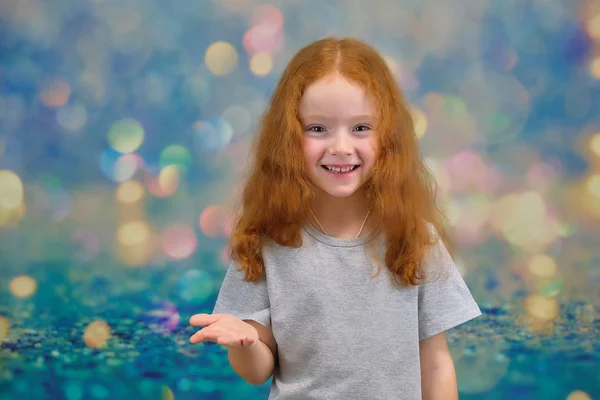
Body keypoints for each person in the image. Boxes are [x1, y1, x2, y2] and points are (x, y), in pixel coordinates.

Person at [188, 37, 482, 400]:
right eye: (317, 128)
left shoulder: (414, 237)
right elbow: (258, 370)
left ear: (388, 137)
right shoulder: (267, 241)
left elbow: (436, 363)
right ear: (289, 137)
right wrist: (245, 342)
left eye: (361, 128)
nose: (341, 147)